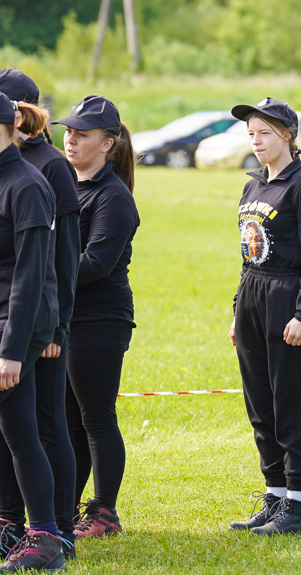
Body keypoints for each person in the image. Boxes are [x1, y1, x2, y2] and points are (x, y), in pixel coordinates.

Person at [227, 98, 301, 535]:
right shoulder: (253, 186)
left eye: (264, 132)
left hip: (286, 298)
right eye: (251, 132)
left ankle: (297, 505)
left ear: (287, 135)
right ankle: (274, 495)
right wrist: (237, 310)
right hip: (253, 297)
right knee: (259, 406)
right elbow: (247, 258)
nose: (256, 140)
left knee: (288, 403)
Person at [0, 69, 80, 559]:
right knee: (17, 428)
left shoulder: (28, 184)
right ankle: (30, 528)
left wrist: (11, 350)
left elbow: (34, 275)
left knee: (24, 430)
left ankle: (48, 534)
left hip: (18, 326)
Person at [54, 95, 139, 539]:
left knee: (96, 418)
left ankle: (104, 512)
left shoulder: (113, 198)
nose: (70, 140)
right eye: (68, 131)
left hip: (99, 321)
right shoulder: (66, 185)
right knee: (67, 419)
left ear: (107, 144)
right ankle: (66, 507)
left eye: (81, 134)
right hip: (66, 318)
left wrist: (42, 275)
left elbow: (96, 263)